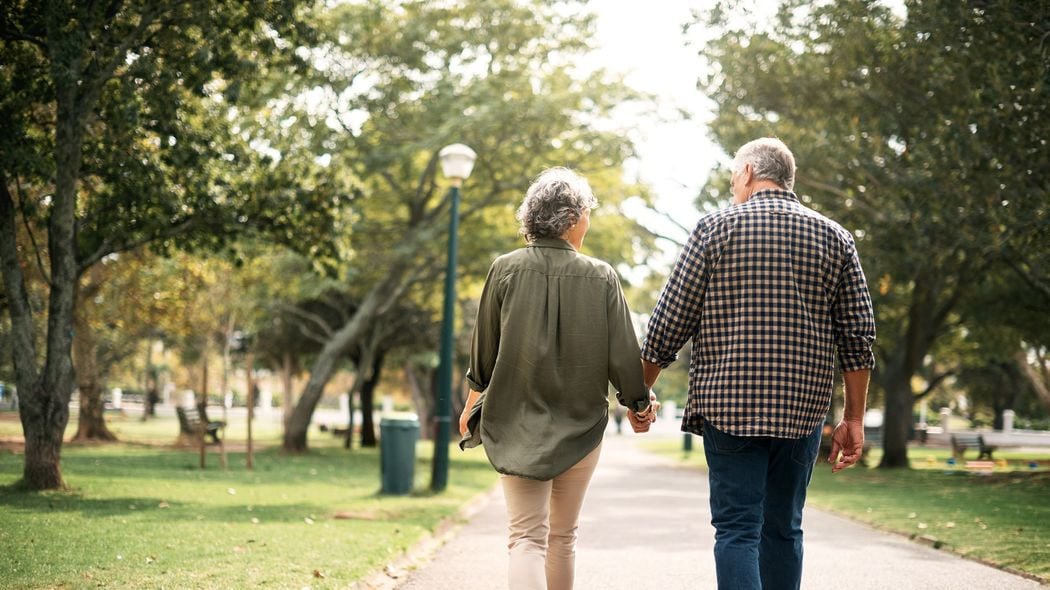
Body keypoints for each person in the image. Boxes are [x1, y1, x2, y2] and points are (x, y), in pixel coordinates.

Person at [640, 138, 876, 590]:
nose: (733, 185)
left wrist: (640, 391)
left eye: (733, 176)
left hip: (729, 409)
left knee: (737, 530)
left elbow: (668, 324)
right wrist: (853, 417)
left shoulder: (714, 229)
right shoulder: (835, 237)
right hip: (801, 412)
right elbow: (857, 337)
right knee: (784, 529)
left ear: (747, 171)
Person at [459, 167, 657, 590]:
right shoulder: (602, 276)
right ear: (571, 219)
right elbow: (624, 355)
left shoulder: (504, 269)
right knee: (562, 538)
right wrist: (638, 404)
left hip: (513, 422)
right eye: (586, 212)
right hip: (580, 426)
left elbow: (485, 350)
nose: (588, 221)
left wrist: (471, 400)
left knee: (526, 538)